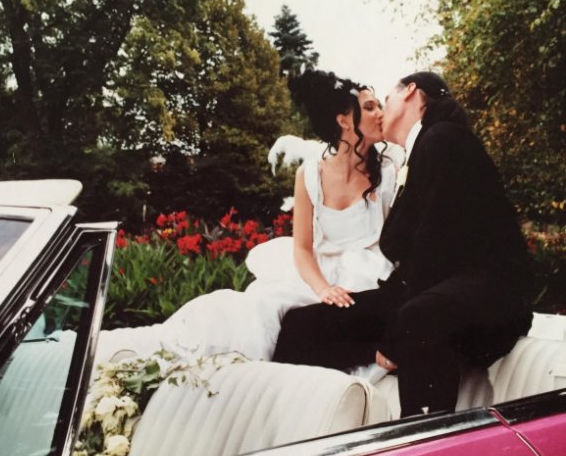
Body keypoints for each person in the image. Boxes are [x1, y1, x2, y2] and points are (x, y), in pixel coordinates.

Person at [273, 71, 533, 417]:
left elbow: (431, 250)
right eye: (372, 106)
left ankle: (425, 435)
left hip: (486, 292)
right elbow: (403, 244)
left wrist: (393, 338)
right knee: (300, 326)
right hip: (429, 287)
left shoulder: (442, 138)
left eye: (386, 100)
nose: (382, 111)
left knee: (415, 317)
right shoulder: (421, 148)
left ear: (410, 92)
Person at [152, 70, 396, 363]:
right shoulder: (309, 174)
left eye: (380, 106)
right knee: (263, 308)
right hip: (319, 274)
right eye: (370, 107)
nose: (381, 113)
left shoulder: (390, 171)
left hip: (369, 274)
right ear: (343, 120)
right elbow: (302, 248)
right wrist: (322, 288)